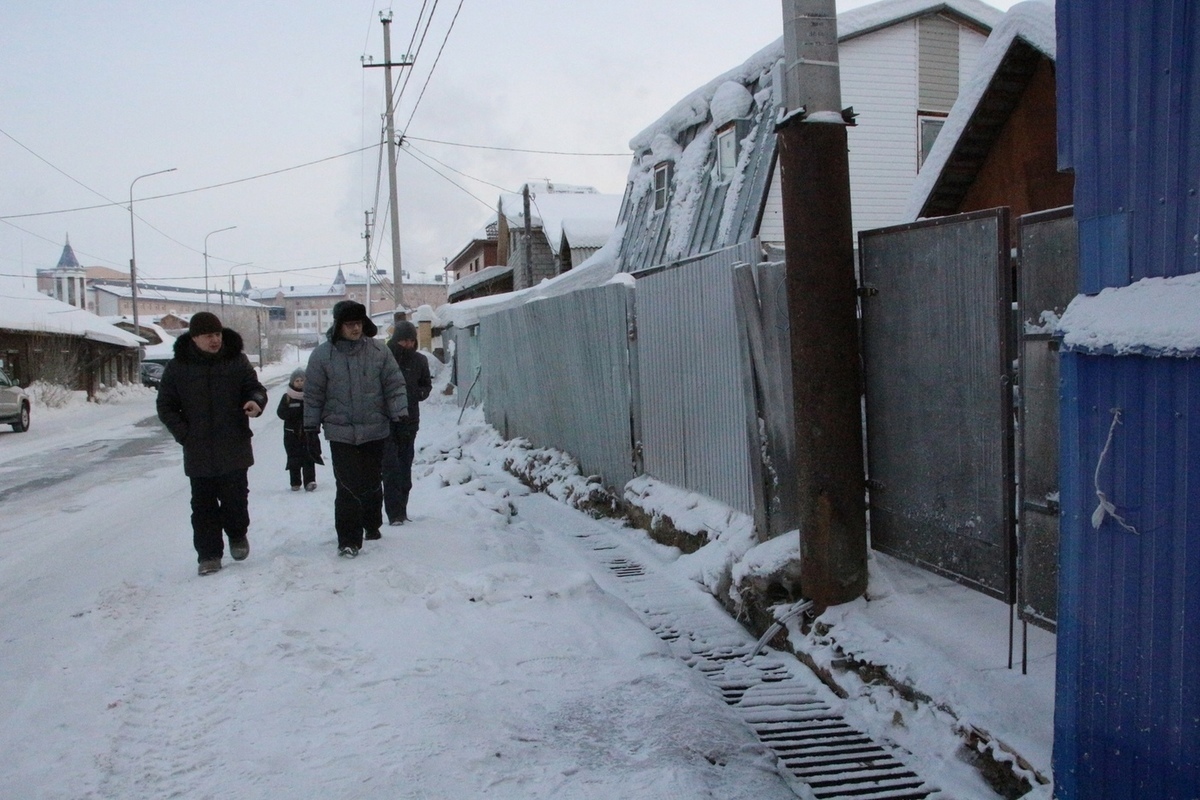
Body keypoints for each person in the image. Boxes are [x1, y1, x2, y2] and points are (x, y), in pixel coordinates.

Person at [156, 311, 267, 576]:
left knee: (235, 500)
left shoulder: (236, 361)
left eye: (217, 334)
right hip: (198, 449)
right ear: (194, 338)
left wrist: (256, 402)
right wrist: (185, 434)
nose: (215, 340)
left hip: (234, 443)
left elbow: (255, 388)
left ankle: (238, 534)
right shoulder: (178, 367)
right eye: (208, 336)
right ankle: (208, 555)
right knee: (203, 506)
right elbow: (165, 406)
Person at [304, 300, 408, 558]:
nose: (354, 329)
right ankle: (348, 539)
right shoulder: (322, 356)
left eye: (358, 323)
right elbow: (313, 395)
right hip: (340, 433)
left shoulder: (379, 351)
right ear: (338, 326)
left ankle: (371, 524)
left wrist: (400, 416)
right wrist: (310, 428)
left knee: (372, 481)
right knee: (347, 485)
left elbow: (394, 385)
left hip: (375, 429)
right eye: (349, 324)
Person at [382, 319, 432, 525]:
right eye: (403, 341)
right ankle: (394, 514)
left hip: (410, 421)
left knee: (405, 467)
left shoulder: (420, 361)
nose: (408, 345)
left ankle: (402, 510)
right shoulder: (384, 359)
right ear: (395, 341)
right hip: (387, 421)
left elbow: (426, 385)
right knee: (391, 467)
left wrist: (419, 393)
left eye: (411, 341)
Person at [276, 368, 323, 491]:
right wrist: (293, 413)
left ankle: (310, 481)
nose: (300, 382)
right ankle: (295, 482)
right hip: (292, 434)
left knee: (309, 456)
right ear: (292, 382)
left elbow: (317, 410)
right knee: (294, 458)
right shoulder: (287, 397)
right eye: (297, 380)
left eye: (302, 380)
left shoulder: (310, 396)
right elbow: (281, 413)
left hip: (308, 432)